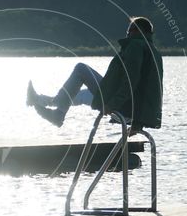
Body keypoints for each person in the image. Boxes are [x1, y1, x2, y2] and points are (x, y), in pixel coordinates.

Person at [27, 16, 163, 135]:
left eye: (129, 30)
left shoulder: (136, 46)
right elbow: (150, 93)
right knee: (80, 95)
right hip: (134, 112)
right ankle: (41, 101)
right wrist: (138, 123)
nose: (127, 34)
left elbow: (131, 81)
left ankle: (58, 114)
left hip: (123, 106)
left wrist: (112, 104)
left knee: (81, 69)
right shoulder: (154, 52)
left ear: (137, 31)